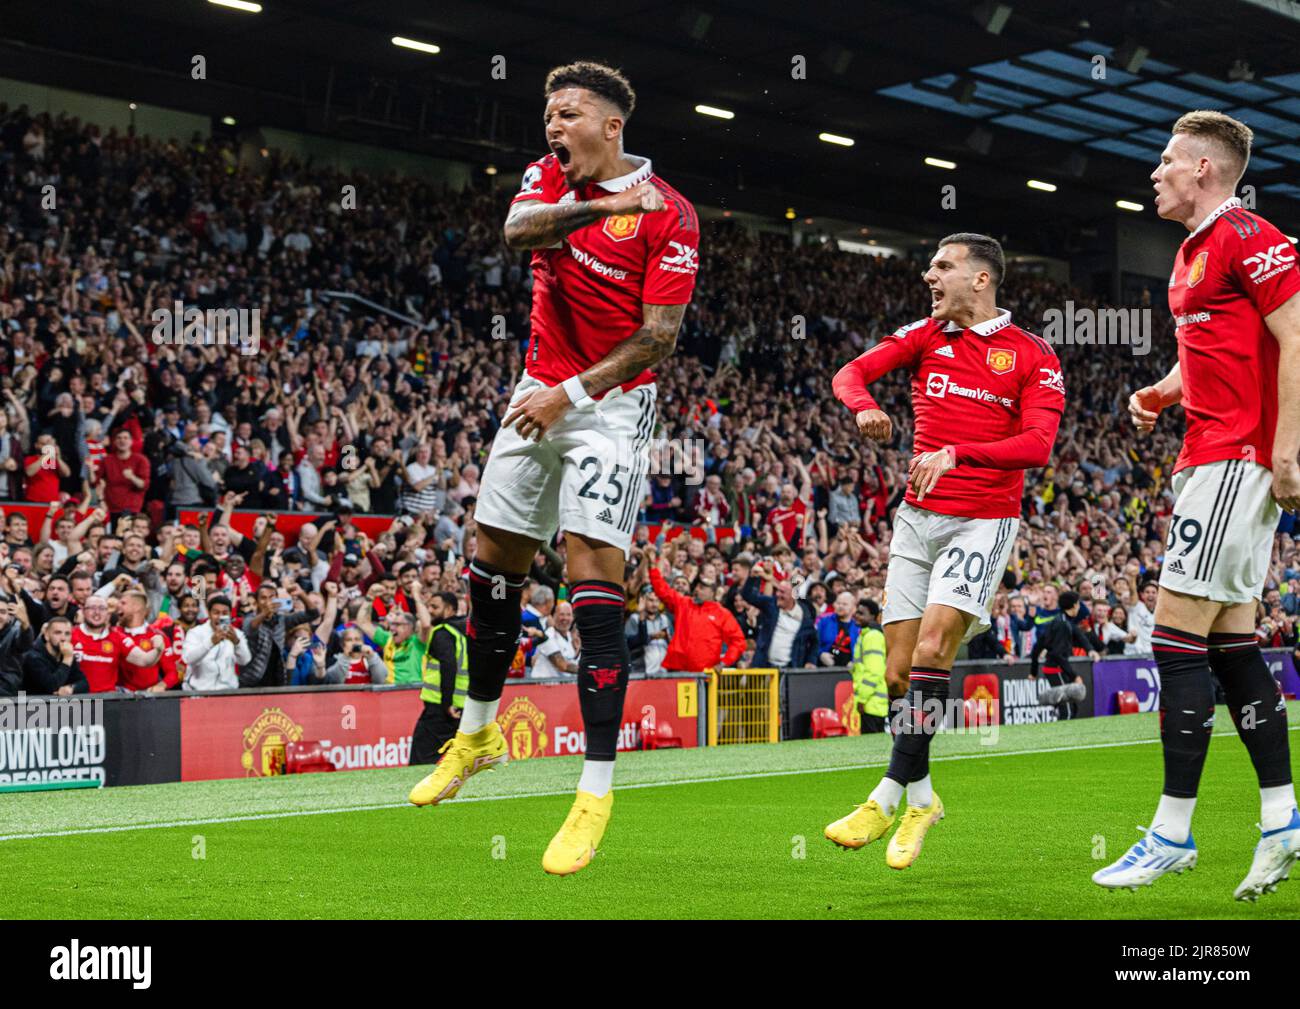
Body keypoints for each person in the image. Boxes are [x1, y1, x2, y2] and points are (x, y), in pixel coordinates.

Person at [405, 61, 700, 877]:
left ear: (611, 124)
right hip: (537, 388)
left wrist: (569, 394)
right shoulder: (552, 179)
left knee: (589, 578)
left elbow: (659, 339)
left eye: (567, 114)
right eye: (548, 115)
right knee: (491, 557)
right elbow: (516, 233)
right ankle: (477, 733)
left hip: (607, 405)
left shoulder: (673, 216)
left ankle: (595, 788)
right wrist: (597, 205)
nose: (551, 128)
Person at [1096, 111, 1300, 899]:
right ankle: (1281, 817)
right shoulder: (1193, 252)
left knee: (1173, 637)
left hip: (1235, 458)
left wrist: (1285, 450)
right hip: (1212, 455)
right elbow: (1217, 351)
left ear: (1206, 171)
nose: (1156, 172)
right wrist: (1161, 390)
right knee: (1230, 647)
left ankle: (1172, 833)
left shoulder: (1249, 234)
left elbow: (1295, 335)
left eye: (1168, 160)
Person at [824, 232, 1065, 869]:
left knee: (933, 649)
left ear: (981, 279)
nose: (930, 275)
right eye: (931, 264)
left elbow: (1039, 445)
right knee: (900, 673)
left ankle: (883, 795)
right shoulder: (924, 334)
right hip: (917, 518)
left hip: (982, 520)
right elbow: (849, 373)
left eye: (943, 266)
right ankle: (924, 798)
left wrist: (959, 453)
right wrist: (863, 407)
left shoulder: (1033, 355)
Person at [411, 592, 469, 765]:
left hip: (441, 709)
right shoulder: (464, 632)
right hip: (464, 705)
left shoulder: (443, 632)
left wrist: (447, 703)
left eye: (435, 607)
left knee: (420, 760)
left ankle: (422, 792)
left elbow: (448, 666)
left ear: (450, 609)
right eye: (428, 606)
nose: (430, 610)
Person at [1028, 590, 1098, 717]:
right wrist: (1074, 676)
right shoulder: (1062, 624)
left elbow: (1038, 647)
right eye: (1078, 604)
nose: (1079, 606)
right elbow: (1058, 654)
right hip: (1055, 669)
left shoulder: (1061, 620)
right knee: (1066, 708)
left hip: (1057, 668)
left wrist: (1090, 650)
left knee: (1073, 705)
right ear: (1074, 605)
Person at [181, 596, 251, 692]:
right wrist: (210, 642)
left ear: (231, 615)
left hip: (228, 693)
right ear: (209, 614)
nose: (220, 617)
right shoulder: (195, 632)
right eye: (216, 613)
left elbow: (245, 660)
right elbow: (188, 659)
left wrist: (236, 642)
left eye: (225, 613)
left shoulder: (236, 634)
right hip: (199, 694)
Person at [21, 615, 85, 695]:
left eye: (67, 634)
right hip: (30, 705)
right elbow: (51, 687)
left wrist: (71, 688)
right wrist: (67, 659)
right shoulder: (33, 657)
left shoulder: (66, 654)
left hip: (58, 706)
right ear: (47, 636)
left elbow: (84, 683)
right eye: (58, 633)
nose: (63, 638)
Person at [851, 599, 888, 733]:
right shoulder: (866, 635)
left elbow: (874, 671)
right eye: (856, 612)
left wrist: (862, 699)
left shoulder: (872, 636)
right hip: (872, 703)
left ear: (873, 616)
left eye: (861, 613)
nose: (856, 615)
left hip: (872, 703)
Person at [531, 600, 579, 679]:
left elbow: (572, 660)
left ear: (572, 618)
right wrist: (587, 670)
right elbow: (562, 665)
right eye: (562, 614)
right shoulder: (548, 635)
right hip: (542, 687)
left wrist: (578, 649)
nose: (565, 618)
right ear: (554, 616)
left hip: (561, 688)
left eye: (568, 615)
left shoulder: (572, 638)